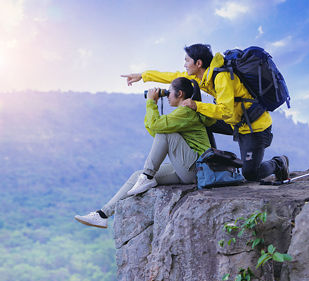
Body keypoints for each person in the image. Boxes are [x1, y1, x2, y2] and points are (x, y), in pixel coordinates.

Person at [121, 43, 289, 183]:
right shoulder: (203, 77)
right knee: (197, 119)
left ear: (198, 63)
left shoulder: (222, 77)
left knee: (250, 174)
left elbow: (227, 112)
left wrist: (197, 105)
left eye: (187, 61)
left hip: (254, 127)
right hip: (236, 122)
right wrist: (142, 75)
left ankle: (279, 163)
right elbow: (172, 76)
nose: (185, 64)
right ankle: (210, 163)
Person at [74, 77, 215, 228]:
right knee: (136, 176)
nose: (166, 96)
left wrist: (150, 103)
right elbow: (156, 133)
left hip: (196, 169)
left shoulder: (185, 112)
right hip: (187, 168)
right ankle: (102, 214)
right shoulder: (182, 113)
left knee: (164, 137)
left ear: (179, 94)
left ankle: (147, 175)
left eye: (169, 92)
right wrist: (153, 104)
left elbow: (158, 129)